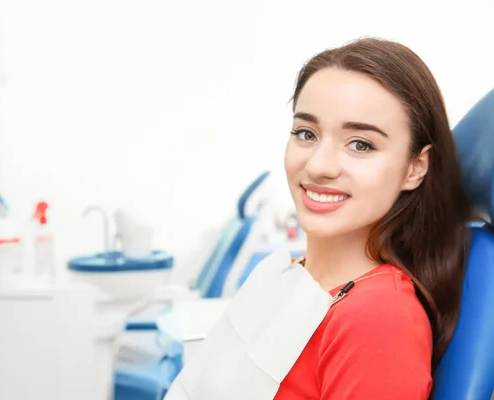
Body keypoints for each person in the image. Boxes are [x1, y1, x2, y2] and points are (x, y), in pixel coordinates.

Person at [164, 37, 472, 400]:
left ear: (414, 167)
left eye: (361, 144)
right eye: (306, 133)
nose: (318, 166)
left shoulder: (377, 318)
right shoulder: (286, 275)